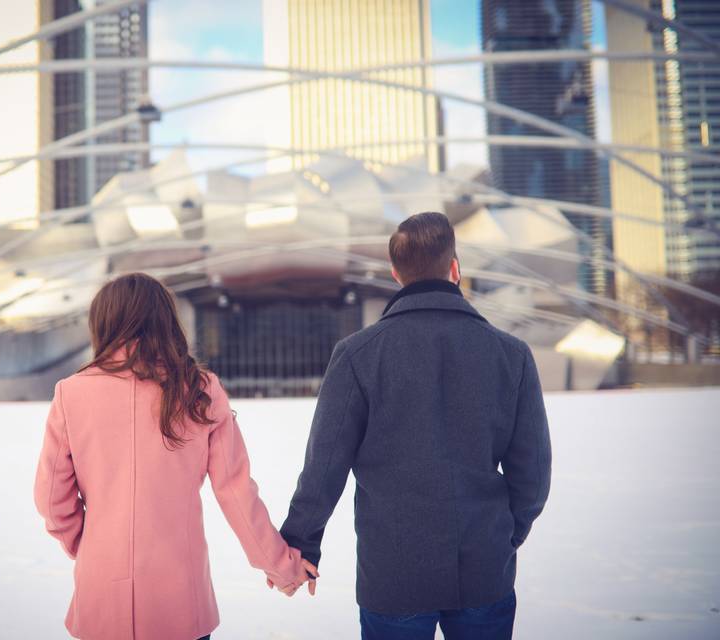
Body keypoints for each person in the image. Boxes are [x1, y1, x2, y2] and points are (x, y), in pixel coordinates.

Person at [279, 211, 552, 639]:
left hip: (392, 573)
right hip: (483, 567)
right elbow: (532, 474)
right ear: (455, 269)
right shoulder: (511, 355)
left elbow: (324, 466)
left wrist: (300, 543)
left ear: (395, 274)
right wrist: (502, 536)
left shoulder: (357, 355)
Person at [33, 272, 315, 640]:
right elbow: (236, 494)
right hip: (181, 602)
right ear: (166, 320)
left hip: (101, 598)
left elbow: (52, 499)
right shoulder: (200, 390)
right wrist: (282, 567)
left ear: (102, 322)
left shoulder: (71, 393)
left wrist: (90, 546)